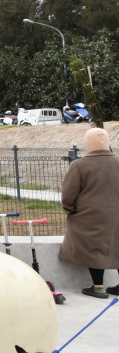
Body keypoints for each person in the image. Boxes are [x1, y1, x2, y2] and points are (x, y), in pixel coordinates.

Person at [59, 127, 119, 297]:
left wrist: (71, 210)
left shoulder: (79, 165)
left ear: (88, 143)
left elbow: (68, 195)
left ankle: (98, 286)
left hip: (89, 217)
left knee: (94, 248)